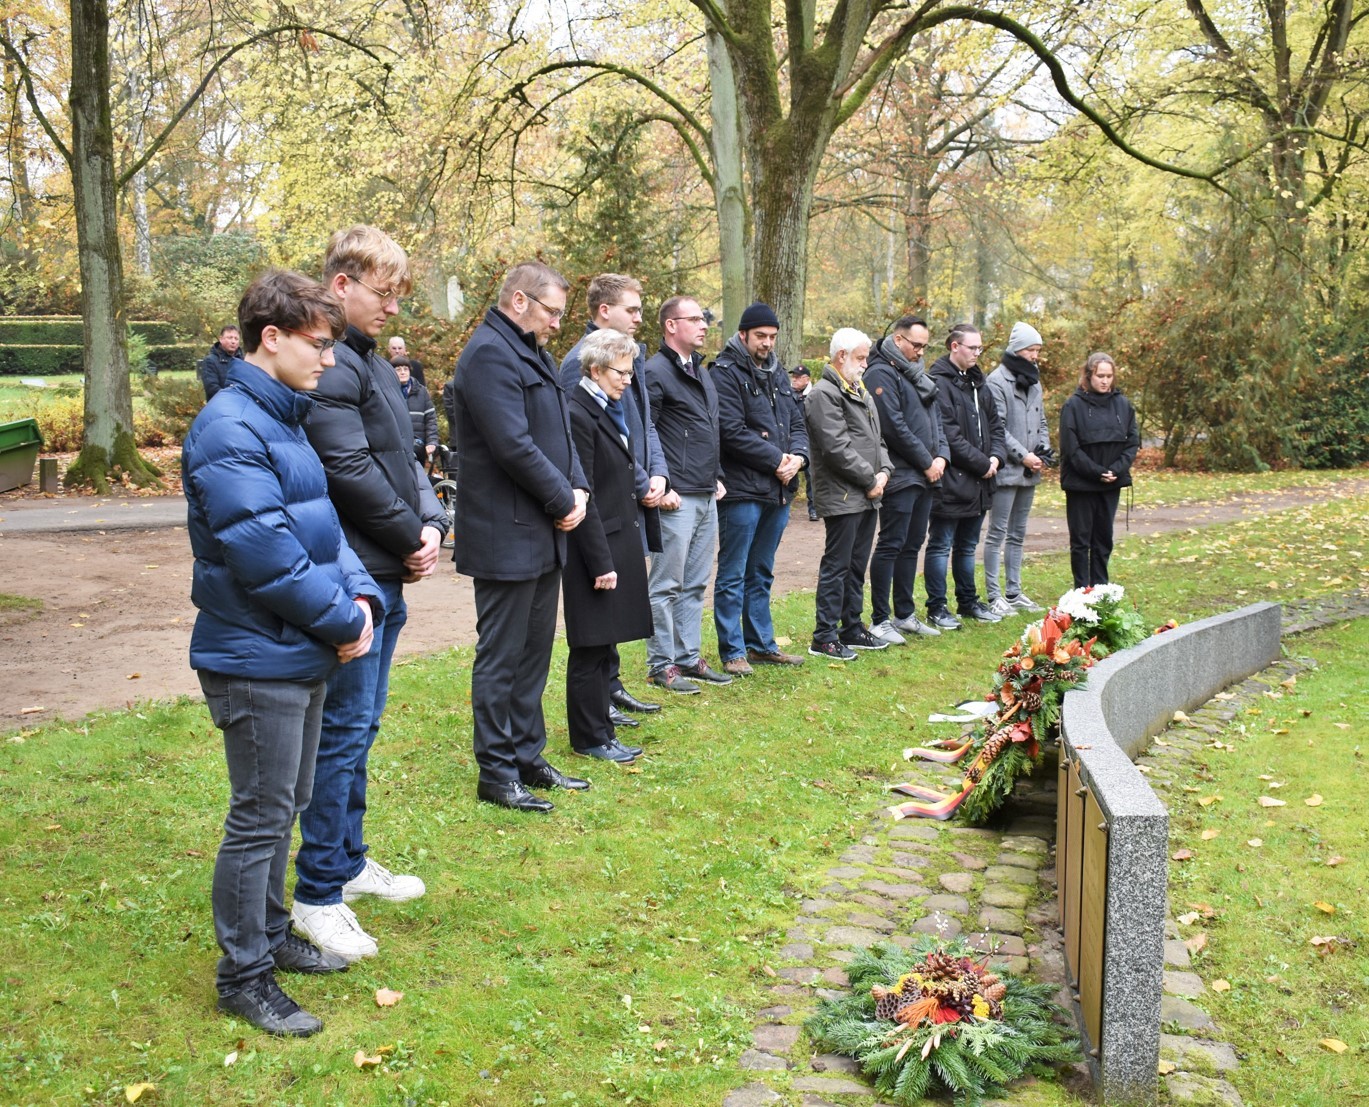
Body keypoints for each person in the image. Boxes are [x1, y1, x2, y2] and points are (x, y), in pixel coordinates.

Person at [183, 270, 381, 1036]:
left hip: (295, 650)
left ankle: (270, 937)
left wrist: (360, 597)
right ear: (273, 338)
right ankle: (244, 975)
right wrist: (341, 620)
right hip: (254, 655)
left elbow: (321, 530)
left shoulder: (280, 418)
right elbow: (262, 555)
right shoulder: (231, 427)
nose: (329, 360)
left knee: (285, 805)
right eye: (319, 344)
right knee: (260, 816)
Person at [291, 226, 447, 963]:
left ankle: (348, 861)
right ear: (343, 285)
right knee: (343, 730)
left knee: (364, 725)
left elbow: (407, 457)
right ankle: (318, 890)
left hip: (386, 567)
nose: (392, 307)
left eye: (398, 294)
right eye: (384, 293)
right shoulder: (331, 367)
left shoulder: (371, 363)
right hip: (352, 575)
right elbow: (346, 468)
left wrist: (430, 520)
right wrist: (407, 534)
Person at [451, 260, 591, 813]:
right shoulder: (488, 354)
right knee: (503, 656)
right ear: (519, 302)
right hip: (507, 532)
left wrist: (577, 487)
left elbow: (559, 434)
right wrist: (563, 500)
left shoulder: (533, 350)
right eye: (552, 311)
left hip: (543, 529)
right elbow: (512, 446)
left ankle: (528, 756)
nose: (559, 323)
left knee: (534, 653)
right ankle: (497, 771)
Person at [560, 274, 680, 712]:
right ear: (604, 311)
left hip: (635, 491)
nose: (640, 318)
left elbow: (643, 424)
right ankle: (602, 695)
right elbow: (584, 446)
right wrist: (640, 480)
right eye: (632, 309)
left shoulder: (627, 358)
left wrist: (658, 475)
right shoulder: (583, 362)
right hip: (609, 500)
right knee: (602, 603)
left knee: (619, 600)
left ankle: (611, 687)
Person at [564, 329, 655, 762]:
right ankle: (589, 737)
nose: (628, 380)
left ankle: (603, 729)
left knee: (606, 645)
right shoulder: (579, 413)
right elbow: (585, 493)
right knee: (591, 646)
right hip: (595, 545)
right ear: (596, 370)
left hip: (617, 536)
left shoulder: (608, 407)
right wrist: (600, 561)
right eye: (621, 372)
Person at [711, 302, 809, 675]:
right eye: (760, 337)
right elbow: (730, 432)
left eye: (772, 336)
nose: (767, 343)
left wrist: (798, 457)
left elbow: (798, 421)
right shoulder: (724, 373)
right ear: (743, 335)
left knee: (762, 570)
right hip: (741, 490)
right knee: (734, 572)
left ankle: (761, 645)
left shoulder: (780, 373)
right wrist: (777, 460)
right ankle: (732, 650)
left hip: (779, 490)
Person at [644, 296, 725, 695]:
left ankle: (688, 657)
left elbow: (711, 427)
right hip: (676, 497)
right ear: (670, 325)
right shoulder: (655, 372)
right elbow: (646, 435)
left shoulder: (701, 372)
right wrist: (663, 486)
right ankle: (661, 664)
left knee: (694, 583)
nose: (703, 325)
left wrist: (718, 475)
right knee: (665, 584)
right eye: (694, 319)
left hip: (705, 492)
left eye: (703, 319)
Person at [805, 328, 891, 660]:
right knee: (837, 565)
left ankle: (851, 626)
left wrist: (883, 472)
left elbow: (878, 441)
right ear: (841, 356)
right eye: (860, 357)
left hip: (868, 492)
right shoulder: (824, 394)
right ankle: (824, 636)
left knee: (857, 565)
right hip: (844, 495)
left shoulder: (861, 392)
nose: (865, 363)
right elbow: (835, 448)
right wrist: (870, 479)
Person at [863, 316, 948, 643]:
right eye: (916, 345)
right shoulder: (880, 372)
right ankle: (880, 619)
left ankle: (904, 614)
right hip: (901, 475)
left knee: (913, 545)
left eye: (925, 346)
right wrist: (927, 461)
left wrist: (941, 456)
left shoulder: (917, 375)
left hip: (926, 474)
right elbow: (894, 427)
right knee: (891, 544)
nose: (921, 352)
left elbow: (935, 418)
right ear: (899, 340)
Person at [924, 324, 1006, 629]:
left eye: (980, 348)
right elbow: (949, 436)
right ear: (954, 346)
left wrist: (996, 457)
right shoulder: (938, 383)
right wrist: (982, 463)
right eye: (972, 348)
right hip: (953, 480)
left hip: (981, 481)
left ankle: (968, 601)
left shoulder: (979, 383)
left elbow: (996, 426)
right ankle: (937, 606)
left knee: (968, 545)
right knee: (941, 544)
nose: (977, 353)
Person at [983, 322, 1051, 616]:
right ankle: (993, 594)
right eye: (1031, 350)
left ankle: (1014, 590)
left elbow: (1042, 423)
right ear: (1017, 349)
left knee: (1018, 534)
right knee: (997, 533)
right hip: (1007, 469)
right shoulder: (996, 381)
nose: (1035, 355)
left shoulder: (1034, 382)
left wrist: (1042, 453)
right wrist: (1023, 455)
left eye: (1037, 350)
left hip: (1030, 470)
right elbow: (996, 426)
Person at [1059, 352, 1139, 587]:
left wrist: (1116, 470)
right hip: (1081, 484)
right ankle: (1081, 591)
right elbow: (1070, 449)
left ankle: (1101, 589)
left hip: (1111, 482)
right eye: (1100, 376)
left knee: (1104, 539)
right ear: (1088, 375)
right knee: (1081, 540)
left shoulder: (1123, 405)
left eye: (1109, 376)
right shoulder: (1073, 405)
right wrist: (1096, 472)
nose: (1105, 381)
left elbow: (1132, 442)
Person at [393, 356, 437, 468]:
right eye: (398, 369)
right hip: (396, 446)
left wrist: (431, 441)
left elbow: (430, 419)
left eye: (405, 369)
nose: (403, 372)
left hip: (418, 445)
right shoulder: (388, 392)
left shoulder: (421, 392)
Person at [788, 365, 818, 521]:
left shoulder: (814, 396)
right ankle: (785, 507)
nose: (794, 380)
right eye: (793, 377)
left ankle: (814, 509)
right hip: (791, 440)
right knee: (788, 472)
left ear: (806, 379)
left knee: (812, 476)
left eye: (798, 377)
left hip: (811, 442)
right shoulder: (788, 394)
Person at [198, 324, 241, 402]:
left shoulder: (243, 360)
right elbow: (212, 389)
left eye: (236, 338)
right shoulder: (210, 361)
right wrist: (231, 400)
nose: (233, 341)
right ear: (221, 339)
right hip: (220, 406)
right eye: (230, 338)